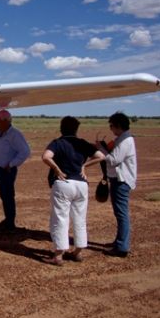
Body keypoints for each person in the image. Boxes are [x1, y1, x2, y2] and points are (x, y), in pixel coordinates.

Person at [42, 116, 104, 265]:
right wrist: (84, 166)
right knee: (80, 219)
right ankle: (78, 252)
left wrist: (56, 169)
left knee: (60, 218)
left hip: (64, 183)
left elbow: (46, 157)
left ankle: (58, 255)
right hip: (81, 184)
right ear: (76, 129)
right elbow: (101, 156)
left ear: (61, 128)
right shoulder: (82, 143)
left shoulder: (58, 143)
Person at [96, 112, 137, 258]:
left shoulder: (125, 140)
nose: (111, 128)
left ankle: (122, 246)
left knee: (121, 213)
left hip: (121, 180)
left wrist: (100, 149)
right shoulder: (123, 139)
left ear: (118, 126)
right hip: (119, 179)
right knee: (120, 213)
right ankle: (120, 242)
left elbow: (113, 160)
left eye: (112, 125)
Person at [0, 109, 31, 231]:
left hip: (8, 171)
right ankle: (8, 219)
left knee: (8, 195)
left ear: (6, 121)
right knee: (3, 195)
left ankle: (10, 222)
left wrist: (11, 164)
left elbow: (25, 151)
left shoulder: (15, 134)